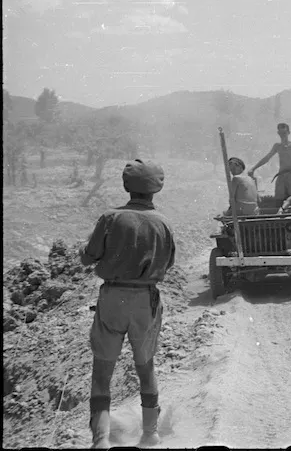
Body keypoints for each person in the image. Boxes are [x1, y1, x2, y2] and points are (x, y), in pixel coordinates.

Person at [80, 159, 176, 449]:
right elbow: (168, 263)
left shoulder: (110, 218)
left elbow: (88, 256)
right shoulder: (163, 223)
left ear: (126, 186)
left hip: (112, 298)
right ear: (156, 189)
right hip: (145, 300)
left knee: (102, 372)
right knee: (145, 368)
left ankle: (101, 442)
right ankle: (150, 434)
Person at [248, 123, 291, 206]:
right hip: (281, 176)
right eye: (280, 133)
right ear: (278, 133)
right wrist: (253, 168)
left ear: (288, 132)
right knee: (278, 200)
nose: (282, 135)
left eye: (284, 133)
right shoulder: (277, 146)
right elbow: (267, 158)